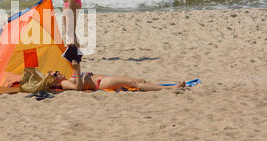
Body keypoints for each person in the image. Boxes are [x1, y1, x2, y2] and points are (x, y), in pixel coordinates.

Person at [50, 60, 185, 91]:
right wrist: (77, 71)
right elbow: (78, 89)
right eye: (55, 74)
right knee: (135, 83)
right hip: (102, 83)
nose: (58, 72)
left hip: (104, 79)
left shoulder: (66, 79)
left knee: (139, 80)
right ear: (55, 82)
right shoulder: (63, 83)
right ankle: (171, 89)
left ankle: (167, 86)